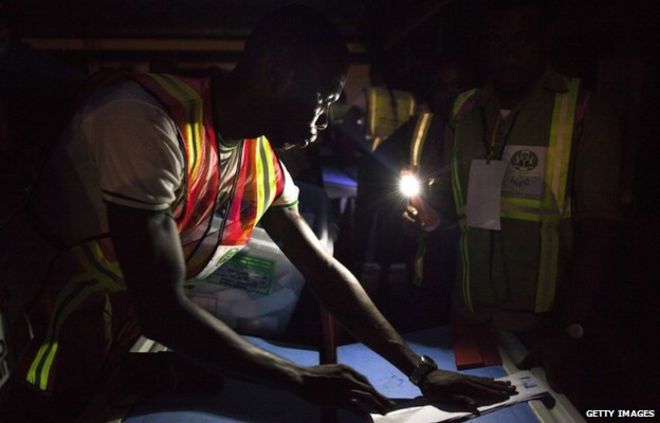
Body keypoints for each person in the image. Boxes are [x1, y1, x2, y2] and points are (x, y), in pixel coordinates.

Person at [0, 5, 515, 421]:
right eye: (321, 99)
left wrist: (420, 371)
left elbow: (324, 272)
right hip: (39, 319)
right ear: (276, 72)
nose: (320, 126)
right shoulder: (147, 122)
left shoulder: (259, 161)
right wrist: (295, 378)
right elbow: (161, 305)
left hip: (107, 323)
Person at [403, 0, 621, 403]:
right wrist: (428, 217)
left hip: (541, 332)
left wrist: (568, 330)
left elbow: (599, 232)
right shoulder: (464, 110)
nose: (509, 53)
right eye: (497, 40)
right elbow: (457, 205)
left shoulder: (582, 112)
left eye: (522, 39)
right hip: (465, 320)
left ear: (544, 41)